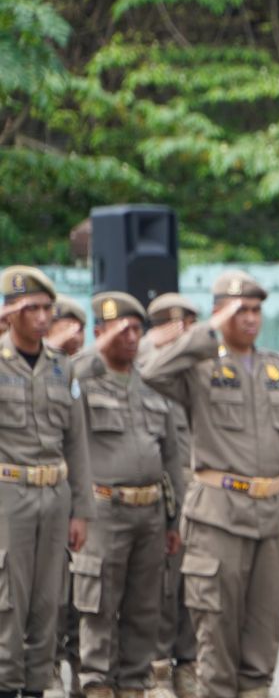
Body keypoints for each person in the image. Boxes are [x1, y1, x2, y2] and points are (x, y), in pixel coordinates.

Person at [138, 270, 279, 698]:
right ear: (218, 313)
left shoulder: (275, 367)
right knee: (216, 648)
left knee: (262, 645)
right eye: (239, 310)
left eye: (255, 310)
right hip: (217, 518)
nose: (250, 318)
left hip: (271, 517)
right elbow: (151, 372)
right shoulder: (199, 364)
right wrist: (206, 331)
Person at [70, 293, 185, 698]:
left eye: (138, 329)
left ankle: (135, 686)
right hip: (103, 510)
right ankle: (97, 686)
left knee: (144, 608)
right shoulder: (83, 381)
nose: (133, 337)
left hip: (150, 514)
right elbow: (64, 371)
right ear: (99, 334)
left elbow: (171, 457)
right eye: (123, 330)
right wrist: (96, 348)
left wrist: (175, 519)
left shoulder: (152, 386)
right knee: (97, 606)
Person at [0, 266, 94, 698]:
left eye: (46, 309)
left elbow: (77, 443)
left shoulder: (63, 369)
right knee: (7, 601)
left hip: (55, 496)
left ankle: (37, 686)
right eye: (30, 308)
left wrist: (82, 509)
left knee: (48, 601)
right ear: (10, 313)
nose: (41, 317)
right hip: (9, 495)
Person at [143, 293, 199, 698]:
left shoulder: (199, 369)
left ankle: (189, 665)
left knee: (196, 583)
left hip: (204, 487)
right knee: (164, 583)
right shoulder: (146, 365)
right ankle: (159, 668)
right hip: (164, 488)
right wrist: (155, 342)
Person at [47, 295, 86, 698]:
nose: (78, 336)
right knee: (51, 600)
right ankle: (49, 672)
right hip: (39, 500)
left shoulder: (82, 372)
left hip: (81, 503)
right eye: (69, 326)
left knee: (82, 602)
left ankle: (79, 675)